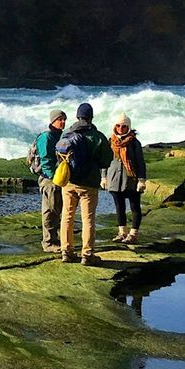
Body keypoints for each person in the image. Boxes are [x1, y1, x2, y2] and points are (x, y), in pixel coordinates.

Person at [58, 102, 114, 266]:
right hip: (88, 184)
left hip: (69, 182)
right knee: (88, 219)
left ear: (77, 116)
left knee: (66, 217)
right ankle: (87, 254)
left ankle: (66, 252)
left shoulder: (67, 134)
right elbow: (106, 161)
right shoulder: (97, 136)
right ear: (91, 117)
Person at [103, 113, 147, 244]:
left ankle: (133, 234)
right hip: (114, 179)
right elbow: (104, 160)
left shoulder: (134, 143)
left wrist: (141, 179)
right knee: (119, 207)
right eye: (118, 125)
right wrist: (103, 177)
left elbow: (140, 162)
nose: (120, 128)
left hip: (131, 180)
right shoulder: (110, 141)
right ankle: (122, 233)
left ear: (128, 127)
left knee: (134, 206)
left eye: (124, 126)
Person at [35, 109, 67, 252]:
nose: (63, 122)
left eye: (64, 119)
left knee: (58, 209)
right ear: (53, 121)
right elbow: (46, 160)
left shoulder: (61, 136)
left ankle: (57, 239)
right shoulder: (46, 137)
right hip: (49, 179)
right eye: (60, 119)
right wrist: (54, 178)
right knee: (50, 211)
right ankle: (49, 242)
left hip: (58, 178)